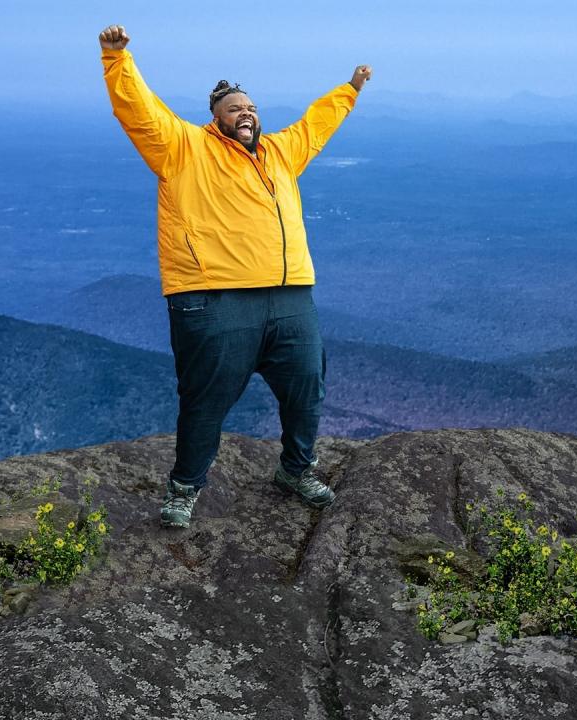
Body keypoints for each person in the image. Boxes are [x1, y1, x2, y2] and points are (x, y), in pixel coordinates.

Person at [98, 24, 372, 528]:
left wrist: (349, 90)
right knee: (206, 400)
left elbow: (316, 125)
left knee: (307, 386)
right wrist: (116, 58)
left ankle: (296, 470)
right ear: (215, 119)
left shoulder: (281, 154)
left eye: (250, 109)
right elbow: (138, 110)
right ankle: (184, 489)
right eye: (234, 110)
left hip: (289, 294)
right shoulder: (182, 148)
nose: (245, 115)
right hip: (214, 297)